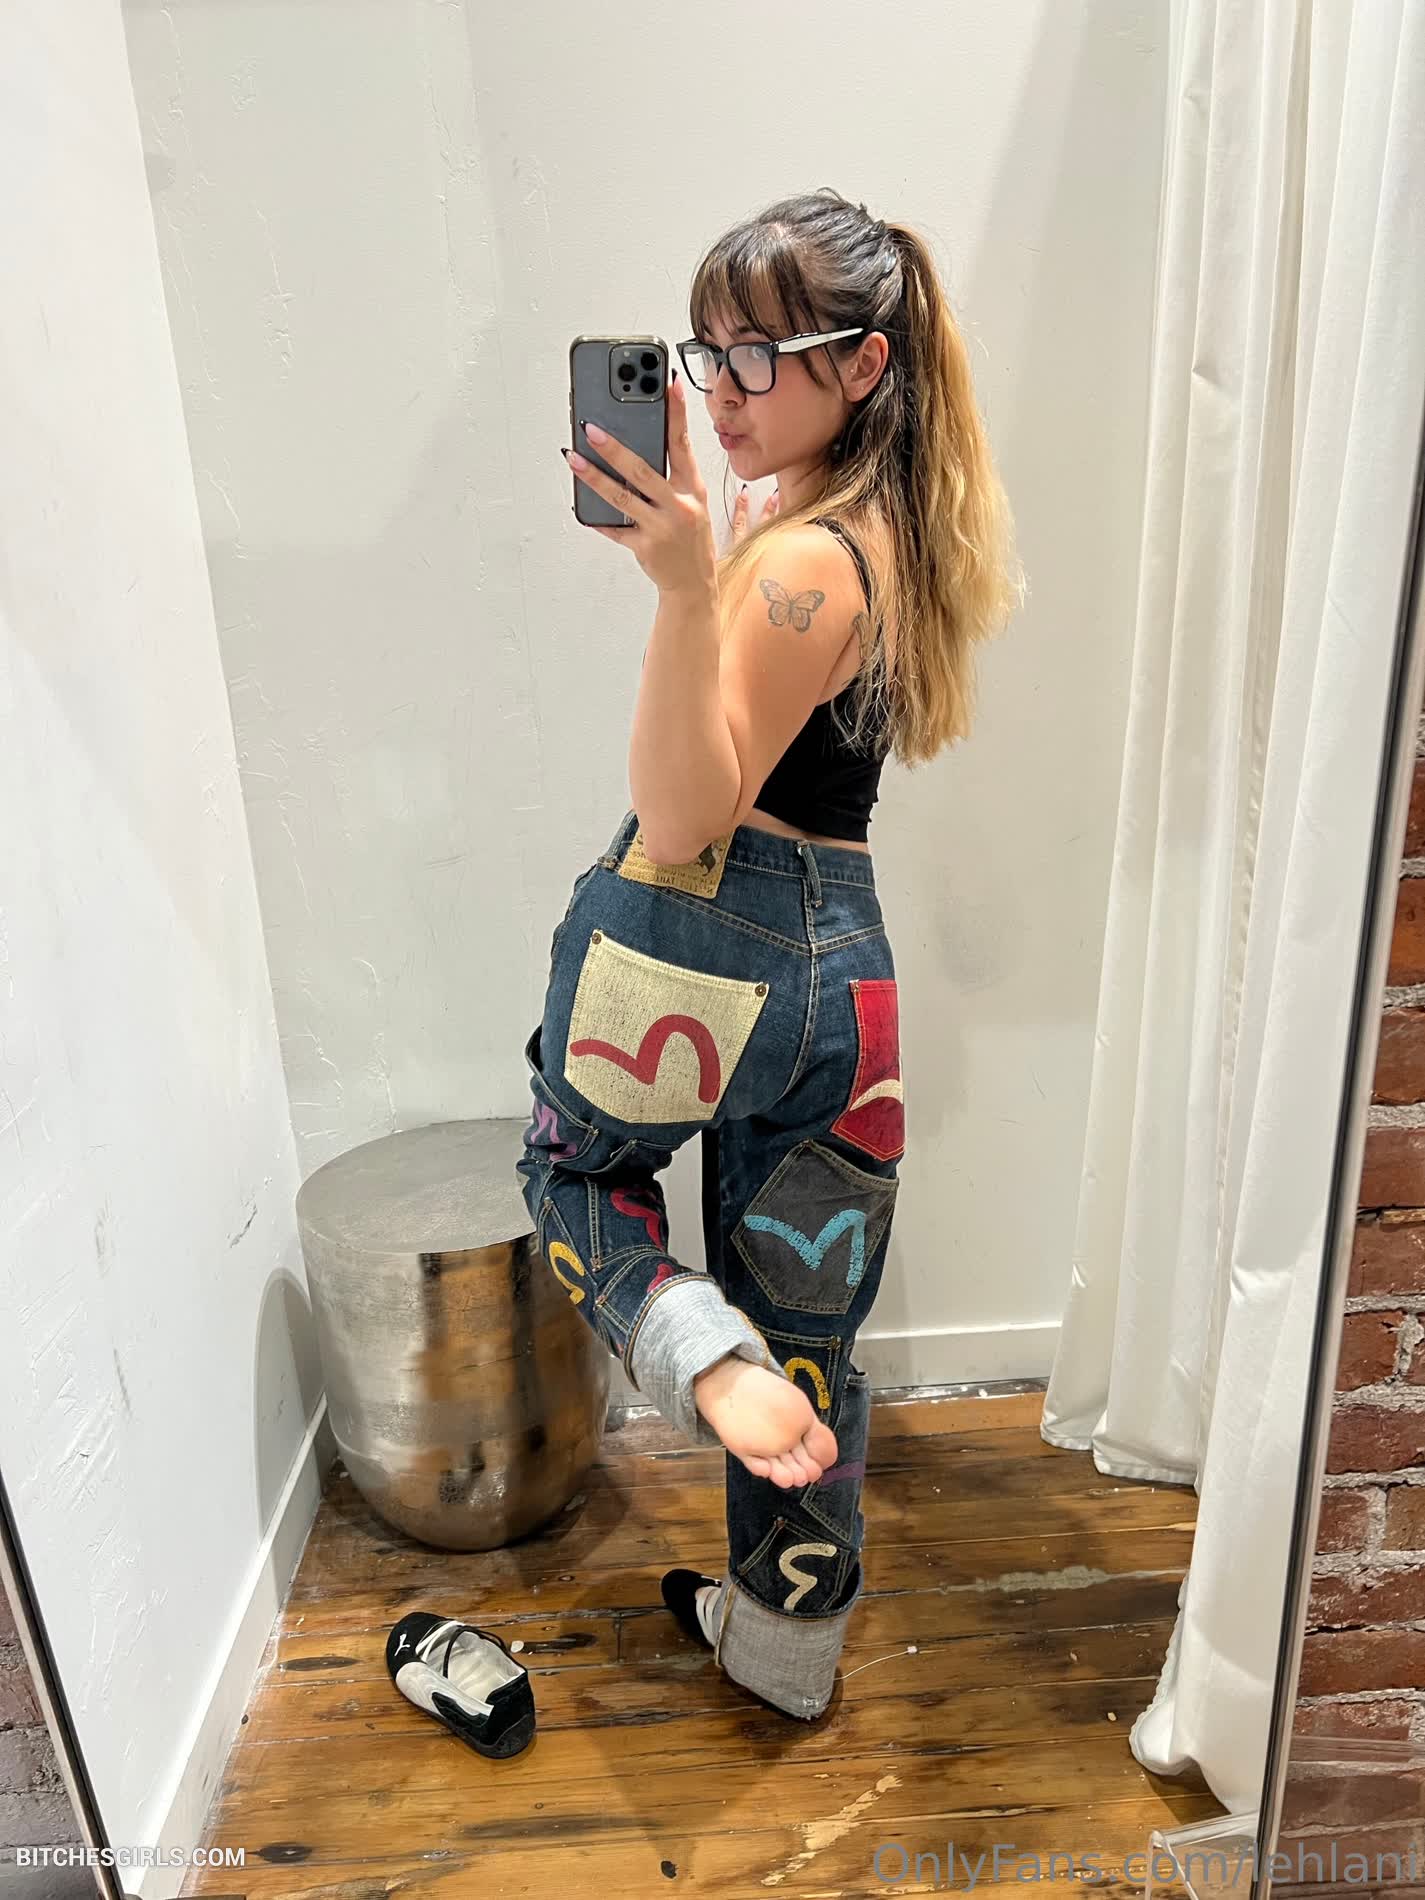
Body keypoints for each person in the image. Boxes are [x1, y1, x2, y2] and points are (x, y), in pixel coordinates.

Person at [516, 187, 1019, 1721]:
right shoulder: (879, 532)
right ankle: (785, 1654)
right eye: (706, 353)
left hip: (691, 944)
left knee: (569, 1175)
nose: (718, 392)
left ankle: (692, 1349)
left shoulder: (800, 564)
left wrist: (683, 589)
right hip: (840, 986)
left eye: (756, 357)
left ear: (861, 365)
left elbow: (687, 815)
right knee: (811, 1346)